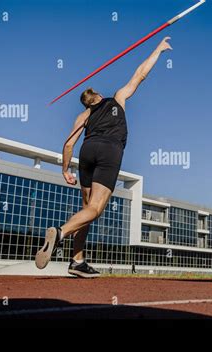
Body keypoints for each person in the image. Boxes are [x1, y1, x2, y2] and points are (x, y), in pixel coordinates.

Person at [35, 37, 173, 278]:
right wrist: (158, 50)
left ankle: (77, 261)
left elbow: (68, 144)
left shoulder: (84, 116)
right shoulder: (117, 98)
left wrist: (65, 170)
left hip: (87, 151)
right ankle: (60, 232)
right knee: (96, 209)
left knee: (86, 210)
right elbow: (140, 74)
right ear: (98, 94)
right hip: (109, 150)